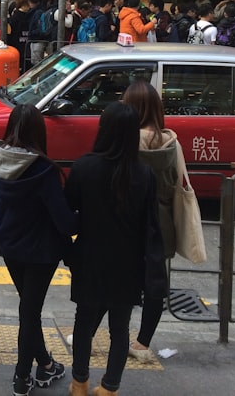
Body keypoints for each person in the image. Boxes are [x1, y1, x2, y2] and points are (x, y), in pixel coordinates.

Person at [65, 103, 167, 396]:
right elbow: (151, 226)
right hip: (129, 264)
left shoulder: (84, 167)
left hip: (89, 259)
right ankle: (109, 388)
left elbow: (67, 212)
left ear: (104, 130)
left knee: (84, 324)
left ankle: (79, 383)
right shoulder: (144, 175)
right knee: (119, 330)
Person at [0, 105, 76, 396]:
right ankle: (22, 377)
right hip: (40, 252)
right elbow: (65, 222)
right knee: (30, 311)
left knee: (29, 309)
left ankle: (46, 364)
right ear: (39, 132)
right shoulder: (43, 170)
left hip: (9, 246)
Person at [121, 81, 186, 365]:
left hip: (128, 220)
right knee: (155, 283)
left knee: (118, 277)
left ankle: (113, 335)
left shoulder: (126, 141)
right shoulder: (170, 141)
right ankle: (142, 342)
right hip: (160, 221)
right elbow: (179, 182)